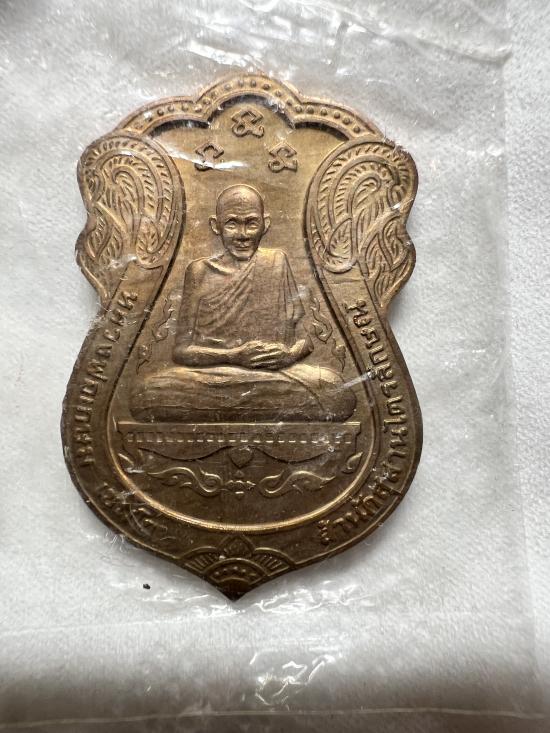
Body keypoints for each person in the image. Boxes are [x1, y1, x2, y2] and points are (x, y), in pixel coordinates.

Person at [130, 184, 356, 422]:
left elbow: (305, 341)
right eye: (232, 224)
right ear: (216, 226)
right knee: (145, 394)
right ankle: (258, 408)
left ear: (265, 225)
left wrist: (288, 355)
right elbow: (181, 352)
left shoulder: (276, 262)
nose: (242, 235)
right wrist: (234, 355)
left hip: (274, 376)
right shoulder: (199, 272)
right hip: (213, 377)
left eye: (251, 223)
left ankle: (233, 408)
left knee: (336, 392)